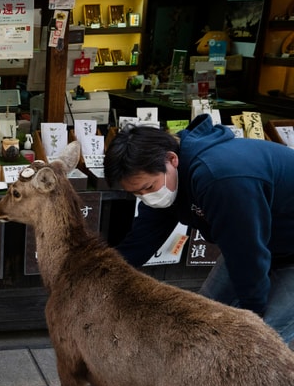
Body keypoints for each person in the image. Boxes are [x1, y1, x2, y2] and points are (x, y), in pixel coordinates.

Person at [103, 113, 294, 346]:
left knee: (260, 343)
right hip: (258, 242)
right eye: (137, 194)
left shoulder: (219, 177)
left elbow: (246, 255)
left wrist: (253, 313)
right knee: (199, 321)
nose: (147, 197)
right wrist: (103, 275)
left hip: (267, 247)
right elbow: (142, 240)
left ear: (171, 159)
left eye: (148, 187)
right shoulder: (167, 182)